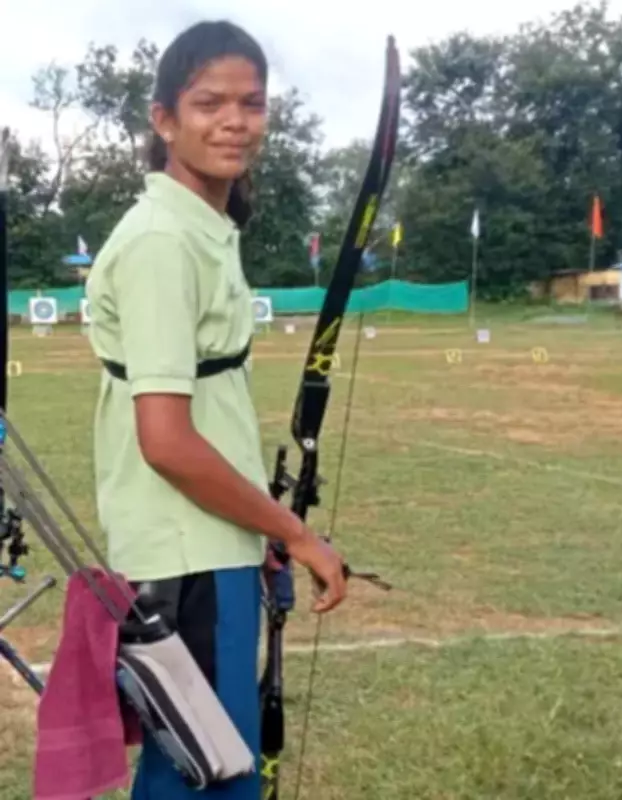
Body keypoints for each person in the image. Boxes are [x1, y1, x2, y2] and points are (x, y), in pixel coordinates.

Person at [86, 19, 347, 800]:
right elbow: (166, 440)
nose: (235, 121)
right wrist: (293, 531)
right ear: (164, 119)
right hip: (186, 554)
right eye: (209, 103)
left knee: (201, 765)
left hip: (209, 543)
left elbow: (207, 411)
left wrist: (254, 528)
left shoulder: (203, 229)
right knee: (206, 773)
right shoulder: (163, 241)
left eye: (252, 102)